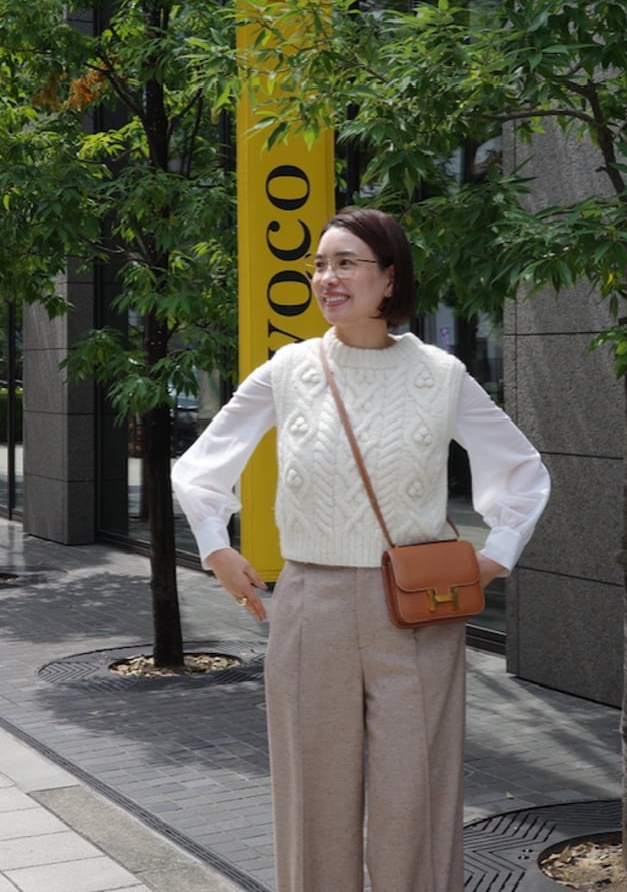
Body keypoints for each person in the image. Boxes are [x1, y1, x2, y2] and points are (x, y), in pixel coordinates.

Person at [171, 207, 551, 892]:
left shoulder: (441, 374)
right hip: (310, 601)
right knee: (312, 794)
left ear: (389, 279)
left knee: (417, 793)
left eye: (346, 263)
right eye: (320, 264)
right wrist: (215, 547)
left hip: (414, 611)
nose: (327, 277)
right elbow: (201, 467)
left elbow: (523, 470)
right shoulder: (288, 369)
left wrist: (497, 554)